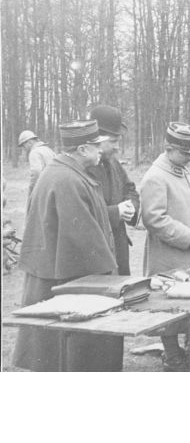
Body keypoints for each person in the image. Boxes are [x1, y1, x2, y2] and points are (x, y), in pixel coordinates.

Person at [13, 120, 123, 371]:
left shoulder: (66, 173)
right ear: (82, 149)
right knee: (66, 359)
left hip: (56, 275)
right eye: (96, 145)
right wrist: (110, 279)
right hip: (64, 281)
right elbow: (84, 242)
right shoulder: (67, 180)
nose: (101, 150)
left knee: (57, 356)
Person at [140, 122, 190, 371]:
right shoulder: (156, 176)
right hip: (169, 254)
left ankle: (189, 350)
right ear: (168, 149)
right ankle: (172, 355)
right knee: (167, 305)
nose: (189, 158)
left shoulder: (180, 170)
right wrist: (186, 237)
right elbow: (153, 218)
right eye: (184, 153)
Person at [86, 105, 140, 275]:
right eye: (113, 141)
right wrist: (116, 212)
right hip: (95, 252)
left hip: (119, 246)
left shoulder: (113, 162)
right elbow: (83, 214)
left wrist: (131, 207)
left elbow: (130, 188)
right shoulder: (82, 168)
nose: (117, 147)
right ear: (96, 139)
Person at [17, 129, 56, 202]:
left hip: (43, 189)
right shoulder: (48, 149)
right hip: (54, 187)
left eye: (23, 145)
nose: (24, 149)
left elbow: (36, 172)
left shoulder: (34, 152)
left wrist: (32, 189)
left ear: (29, 142)